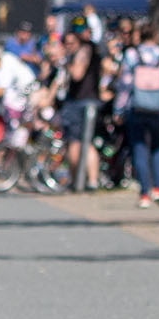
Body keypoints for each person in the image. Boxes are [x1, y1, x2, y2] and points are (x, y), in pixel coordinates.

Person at [115, 20, 159, 208]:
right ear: (156, 36)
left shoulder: (131, 55)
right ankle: (158, 188)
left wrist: (118, 109)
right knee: (157, 147)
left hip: (136, 107)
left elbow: (124, 86)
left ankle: (144, 192)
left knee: (139, 148)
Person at [59, 15, 102, 190]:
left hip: (81, 101)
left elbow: (77, 74)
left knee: (76, 142)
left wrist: (64, 63)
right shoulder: (94, 48)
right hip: (89, 100)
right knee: (86, 142)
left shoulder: (84, 50)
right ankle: (89, 181)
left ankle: (78, 180)